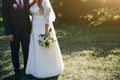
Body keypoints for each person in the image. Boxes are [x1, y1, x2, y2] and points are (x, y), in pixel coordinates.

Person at [25, 0, 64, 78]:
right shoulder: (32, 2)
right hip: (34, 28)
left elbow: (47, 17)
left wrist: (46, 30)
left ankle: (49, 68)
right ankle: (35, 67)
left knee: (45, 47)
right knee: (36, 47)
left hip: (43, 27)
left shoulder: (44, 2)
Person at [2, 0, 31, 80]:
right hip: (13, 32)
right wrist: (8, 32)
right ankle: (17, 72)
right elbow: (5, 16)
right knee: (15, 52)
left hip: (26, 31)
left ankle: (26, 70)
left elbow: (27, 13)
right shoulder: (6, 1)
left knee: (27, 51)